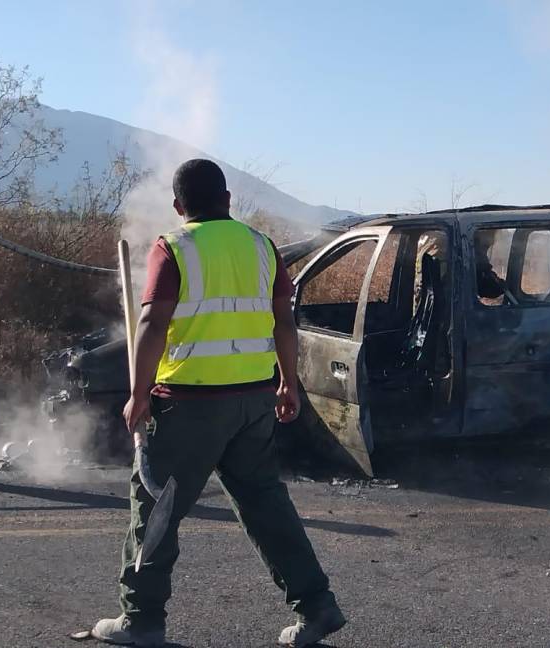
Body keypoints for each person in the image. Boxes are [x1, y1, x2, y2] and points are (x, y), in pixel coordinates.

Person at [90, 159, 345, 647]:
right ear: (228, 200)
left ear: (179, 206)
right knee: (266, 505)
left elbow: (152, 325)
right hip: (252, 401)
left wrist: (139, 394)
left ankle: (140, 619)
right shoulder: (261, 246)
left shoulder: (175, 247)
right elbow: (284, 323)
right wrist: (288, 383)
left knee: (157, 506)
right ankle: (317, 606)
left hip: (189, 405)